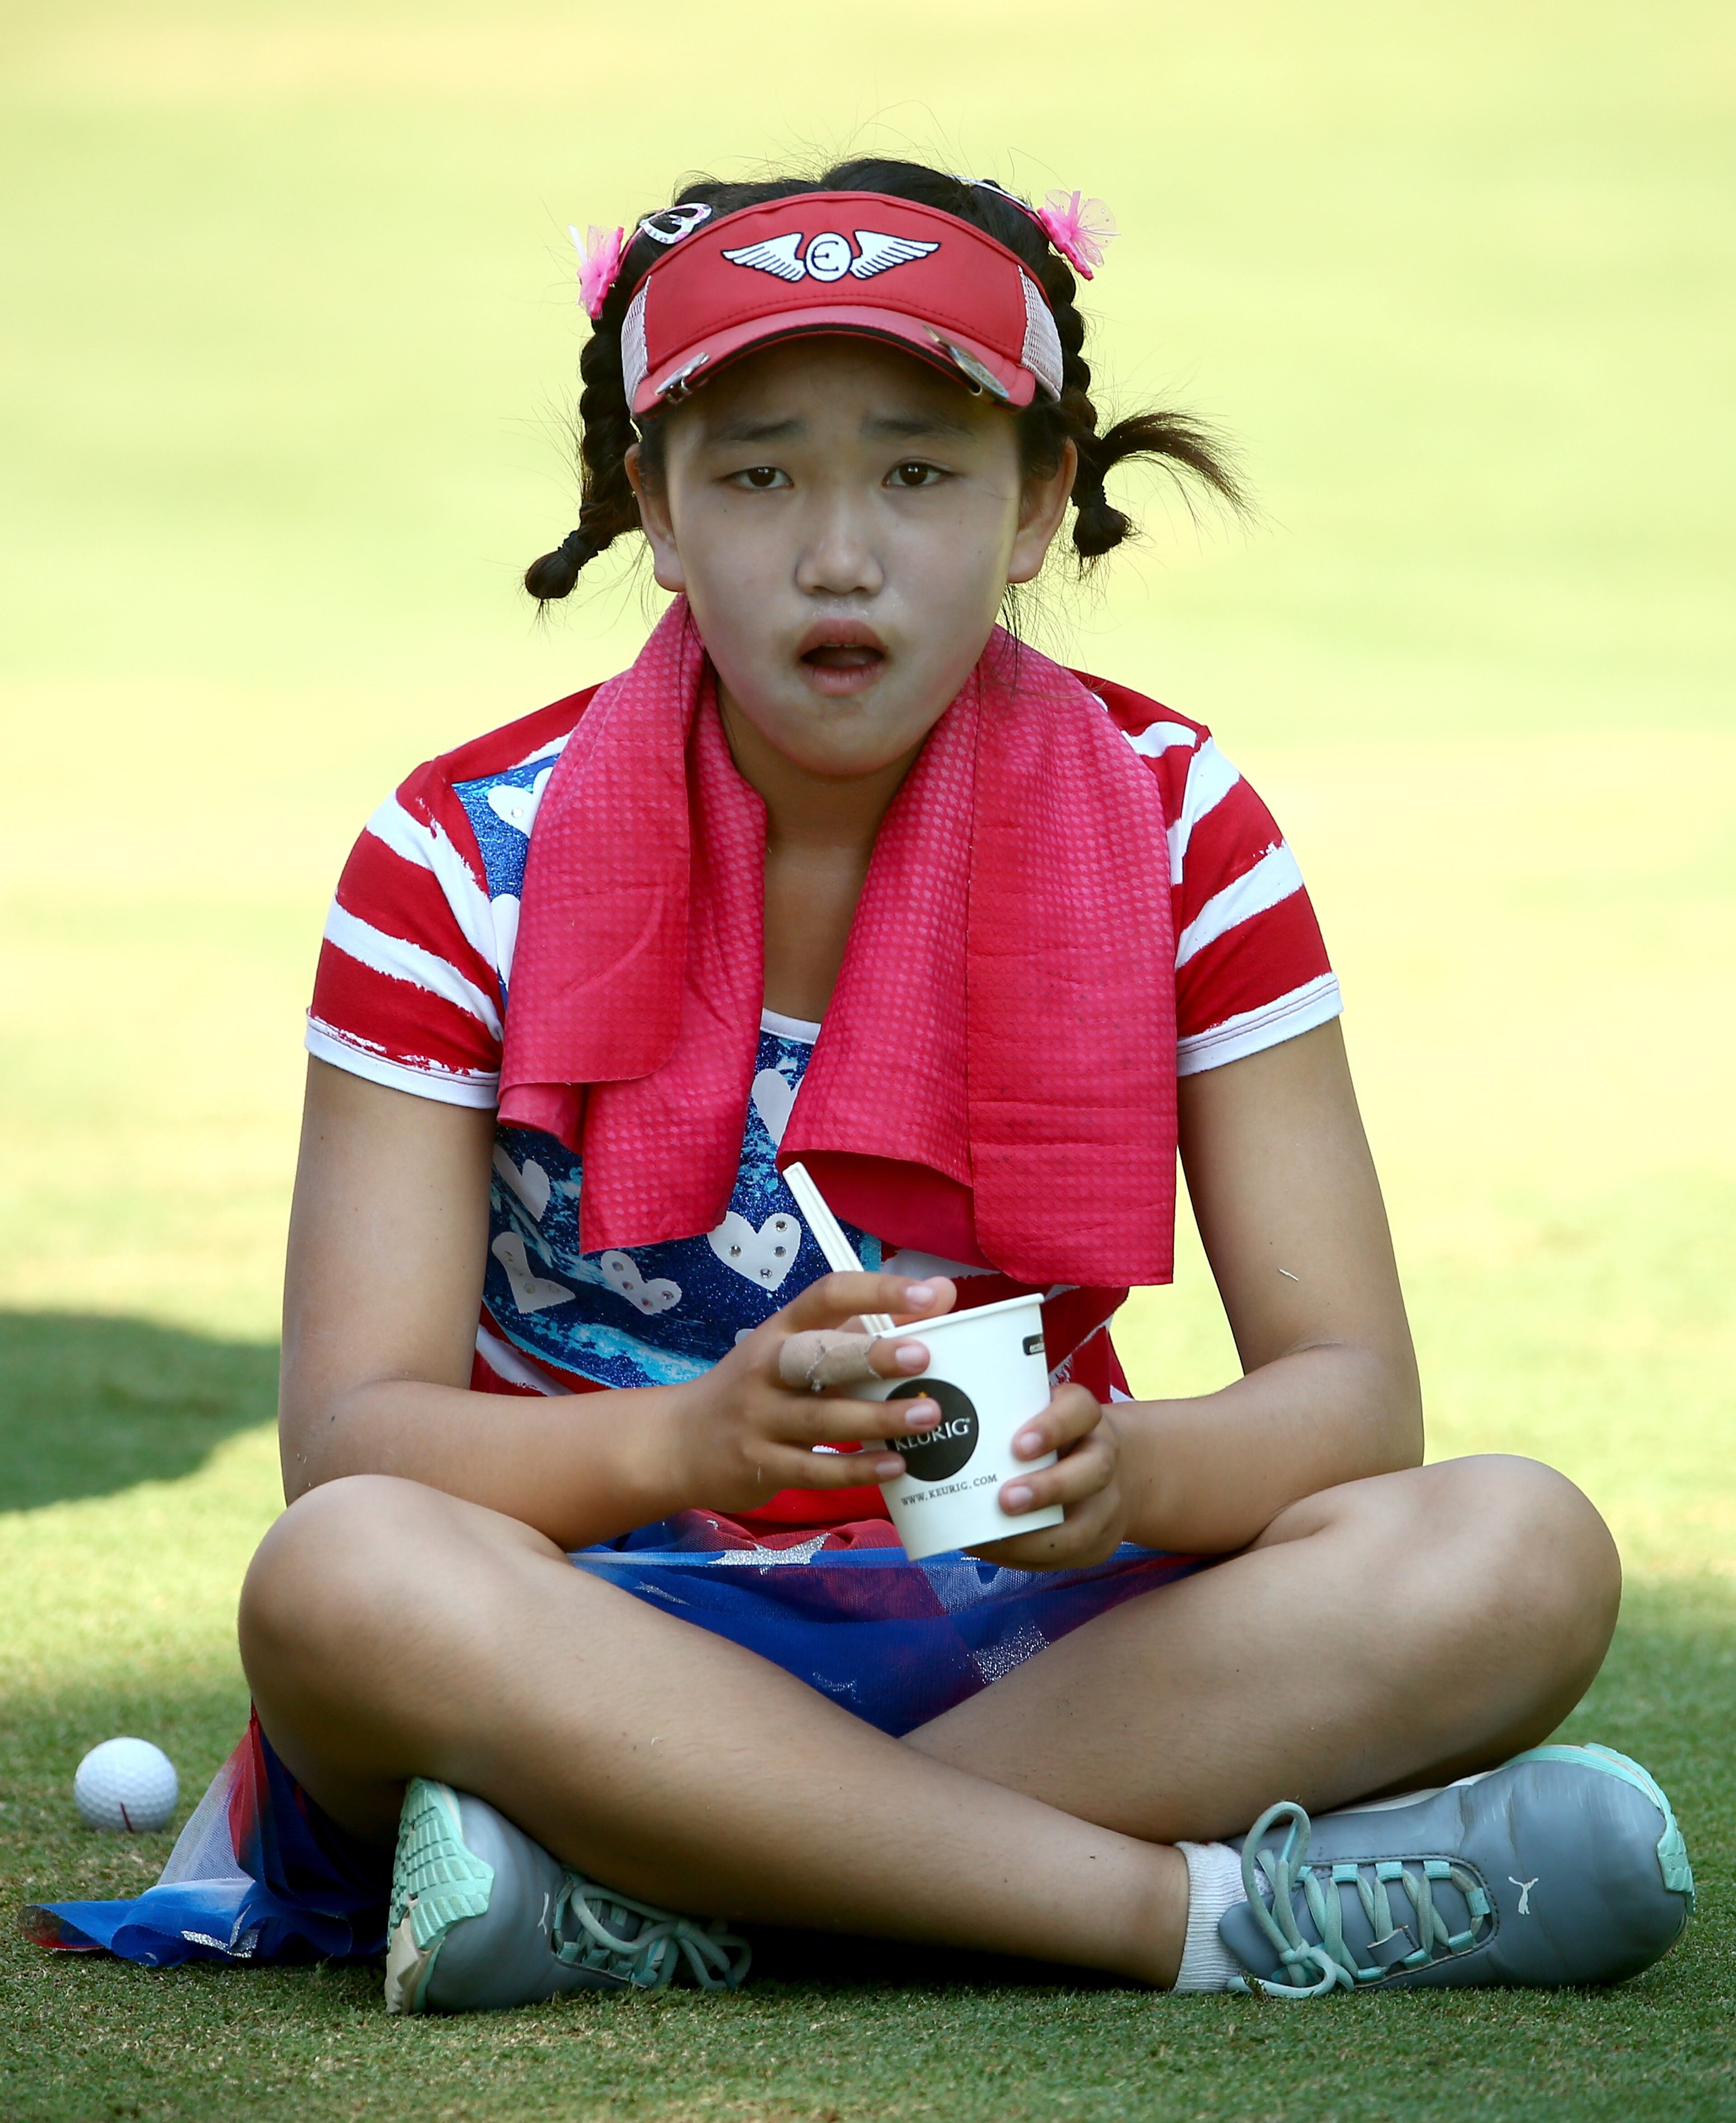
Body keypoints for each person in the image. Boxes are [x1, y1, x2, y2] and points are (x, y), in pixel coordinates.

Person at [30, 158, 1692, 2009]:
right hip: (583, 1643)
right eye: (758, 475)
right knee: (339, 1574)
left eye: (919, 469)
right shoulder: (452, 859)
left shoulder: (1177, 828)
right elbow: (355, 1440)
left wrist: (1133, 1463)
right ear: (650, 505)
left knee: (1518, 1546)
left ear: (1040, 499)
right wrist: (688, 1440)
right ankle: (1191, 1917)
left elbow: (1351, 1402)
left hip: (1024, 1639)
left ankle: (644, 1894)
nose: (840, 551)